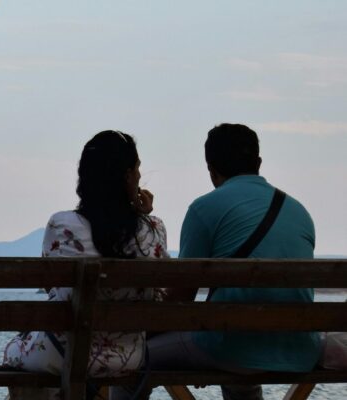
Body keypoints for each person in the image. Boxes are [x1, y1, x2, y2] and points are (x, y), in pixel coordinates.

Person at [116, 123, 320, 400]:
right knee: (239, 358)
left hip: (232, 348)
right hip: (298, 349)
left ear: (210, 169)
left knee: (129, 363)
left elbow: (180, 300)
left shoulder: (204, 208)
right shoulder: (299, 211)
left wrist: (139, 332)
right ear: (258, 162)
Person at [2, 130, 169, 400]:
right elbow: (159, 294)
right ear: (127, 177)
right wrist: (143, 219)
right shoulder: (154, 229)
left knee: (17, 352)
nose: (140, 176)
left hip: (67, 352)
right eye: (137, 169)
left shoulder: (62, 225)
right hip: (129, 357)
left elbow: (52, 287)